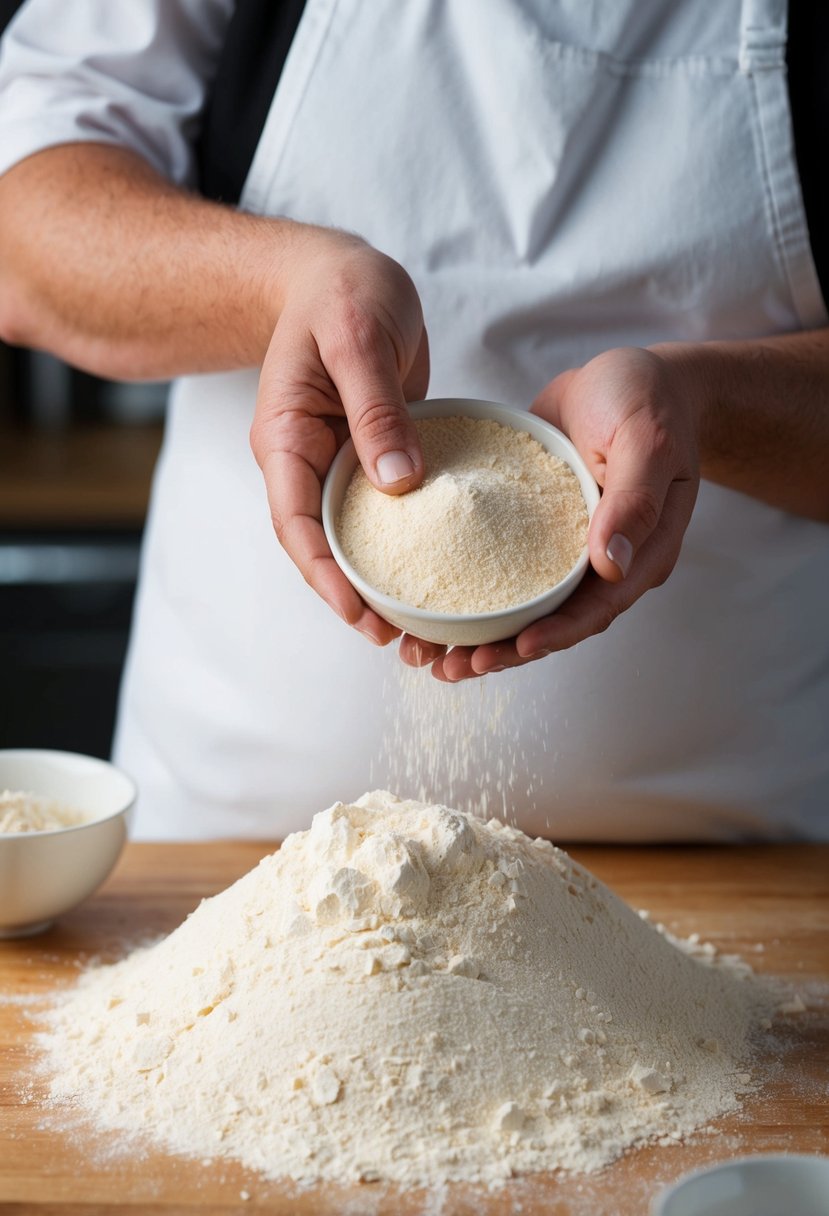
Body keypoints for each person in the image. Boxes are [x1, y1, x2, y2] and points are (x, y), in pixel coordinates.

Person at [0, 0, 827, 841]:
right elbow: (22, 227)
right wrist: (281, 284)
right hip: (233, 852)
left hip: (731, 854)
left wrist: (706, 407)